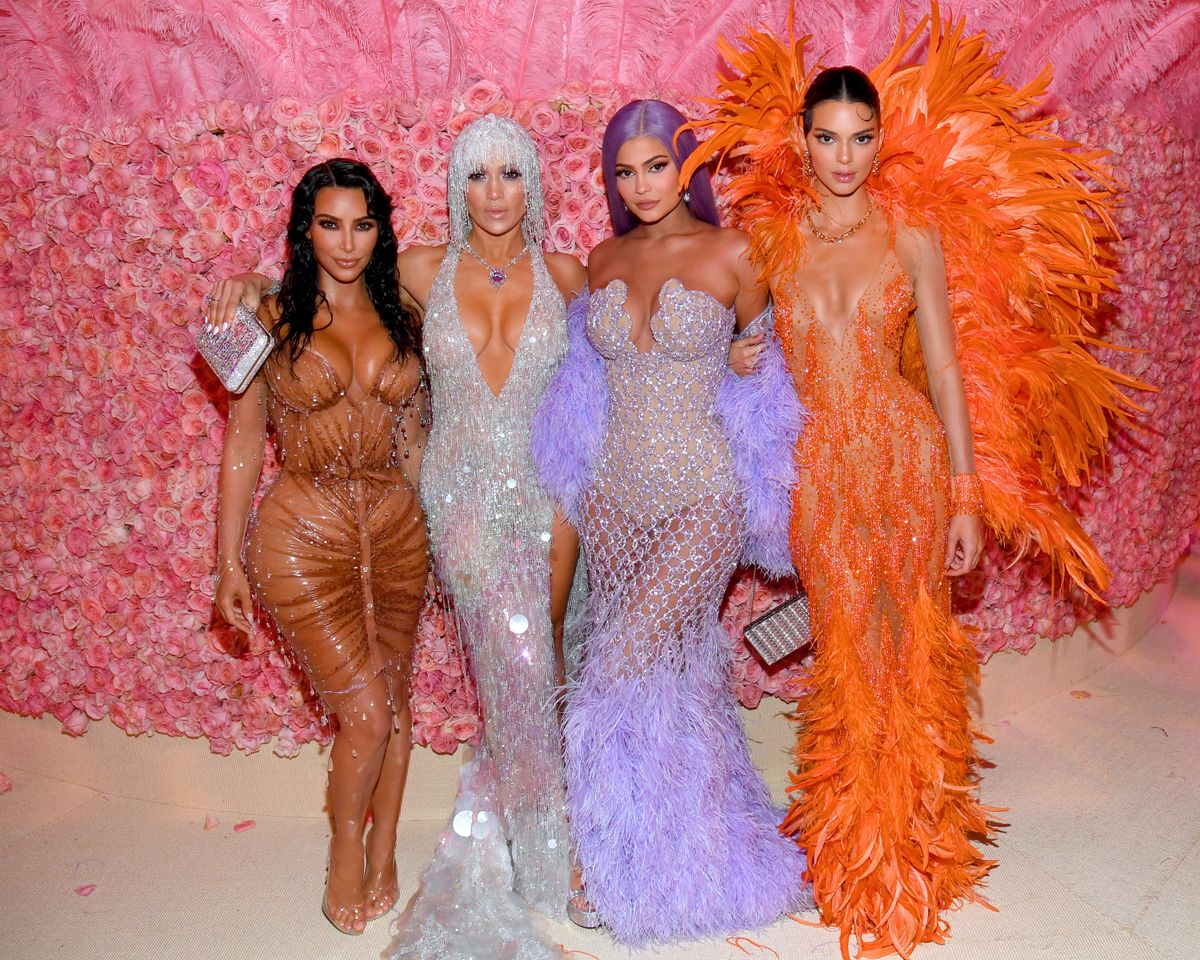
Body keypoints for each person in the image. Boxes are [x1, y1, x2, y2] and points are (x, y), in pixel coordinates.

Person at [531, 99, 808, 946]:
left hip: (701, 496)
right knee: (669, 679)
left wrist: (744, 363)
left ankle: (600, 855)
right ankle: (669, 844)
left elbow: (776, 388)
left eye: (657, 166)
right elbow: (584, 384)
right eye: (624, 171)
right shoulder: (604, 258)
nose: (641, 185)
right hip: (615, 499)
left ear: (687, 169)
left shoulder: (737, 252)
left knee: (615, 669)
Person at [211, 158, 428, 936]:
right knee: (365, 714)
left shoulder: (407, 314)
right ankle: (344, 856)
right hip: (301, 534)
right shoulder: (264, 317)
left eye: (362, 225)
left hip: (398, 529)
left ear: (380, 231)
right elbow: (242, 440)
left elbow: (416, 442)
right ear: (305, 231)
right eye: (329, 224)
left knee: (395, 705)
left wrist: (442, 528)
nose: (346, 242)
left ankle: (386, 852)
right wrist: (226, 561)